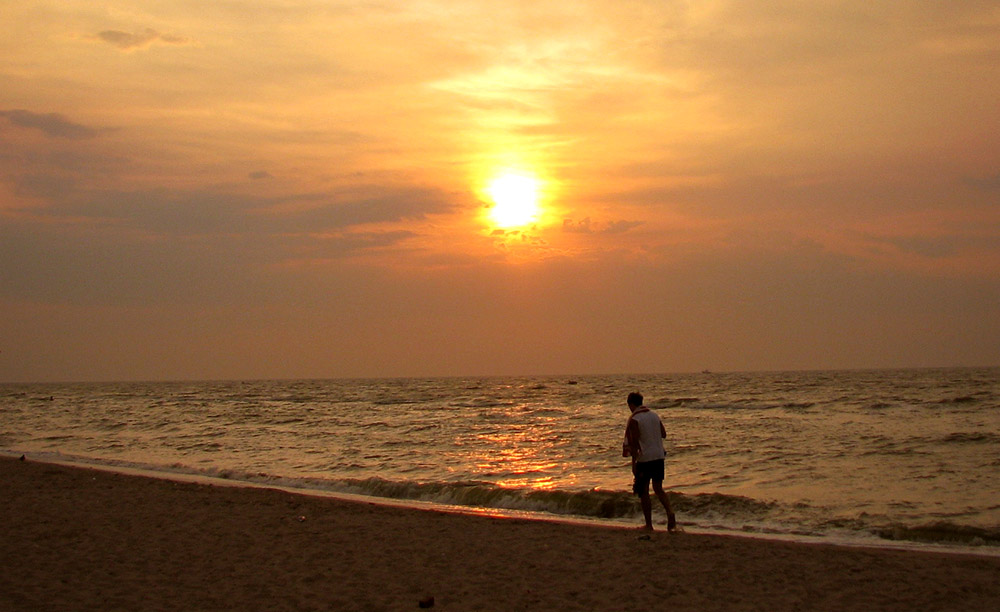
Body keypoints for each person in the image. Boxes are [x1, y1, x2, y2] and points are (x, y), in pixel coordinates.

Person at [621, 391, 676, 531]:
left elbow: (633, 443)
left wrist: (633, 463)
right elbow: (663, 434)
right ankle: (670, 512)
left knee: (643, 491)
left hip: (645, 458)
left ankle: (649, 524)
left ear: (631, 404)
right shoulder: (654, 415)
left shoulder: (635, 419)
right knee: (658, 488)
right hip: (658, 456)